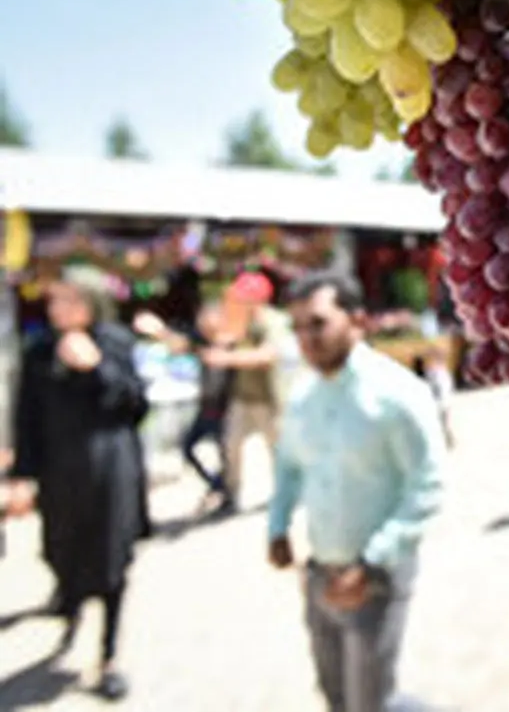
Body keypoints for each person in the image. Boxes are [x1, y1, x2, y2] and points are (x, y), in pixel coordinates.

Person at [266, 270, 446, 712]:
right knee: (335, 696)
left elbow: (427, 485)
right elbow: (289, 465)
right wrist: (278, 526)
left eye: (318, 323)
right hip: (320, 575)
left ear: (358, 321)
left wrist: (370, 563)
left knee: (370, 701)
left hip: (376, 579)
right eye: (298, 327)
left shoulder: (398, 393)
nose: (306, 338)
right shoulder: (304, 394)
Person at [5, 267, 151, 701]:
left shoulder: (116, 343)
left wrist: (96, 368)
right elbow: (26, 417)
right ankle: (69, 600)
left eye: (68, 300)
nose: (58, 309)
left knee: (111, 560)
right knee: (60, 548)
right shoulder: (38, 351)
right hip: (59, 473)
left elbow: (135, 405)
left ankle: (106, 656)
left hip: (111, 471)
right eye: (54, 301)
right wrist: (19, 477)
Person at [133, 303, 234, 514]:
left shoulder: (232, 342)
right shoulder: (201, 343)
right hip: (207, 407)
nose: (204, 323)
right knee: (189, 448)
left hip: (227, 407)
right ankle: (218, 486)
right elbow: (178, 345)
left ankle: (226, 493)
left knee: (226, 454)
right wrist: (159, 331)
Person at [204, 271, 285, 510]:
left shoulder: (273, 321)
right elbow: (218, 337)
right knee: (231, 445)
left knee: (278, 451)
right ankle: (231, 493)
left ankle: (285, 496)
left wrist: (228, 358)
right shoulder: (240, 321)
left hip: (269, 399)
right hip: (242, 397)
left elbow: (268, 355)